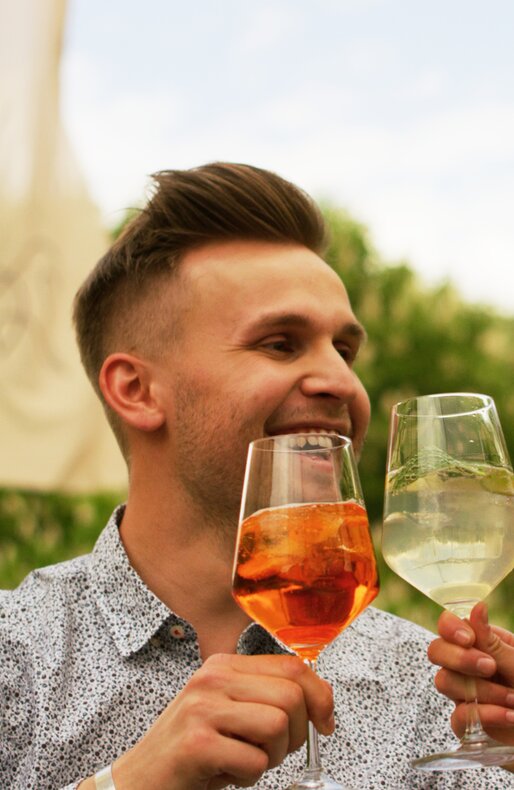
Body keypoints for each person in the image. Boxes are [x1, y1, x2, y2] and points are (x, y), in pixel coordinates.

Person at [0, 162, 513, 790]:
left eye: (344, 350)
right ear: (135, 390)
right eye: (279, 343)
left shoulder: (438, 695)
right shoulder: (14, 656)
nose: (343, 383)